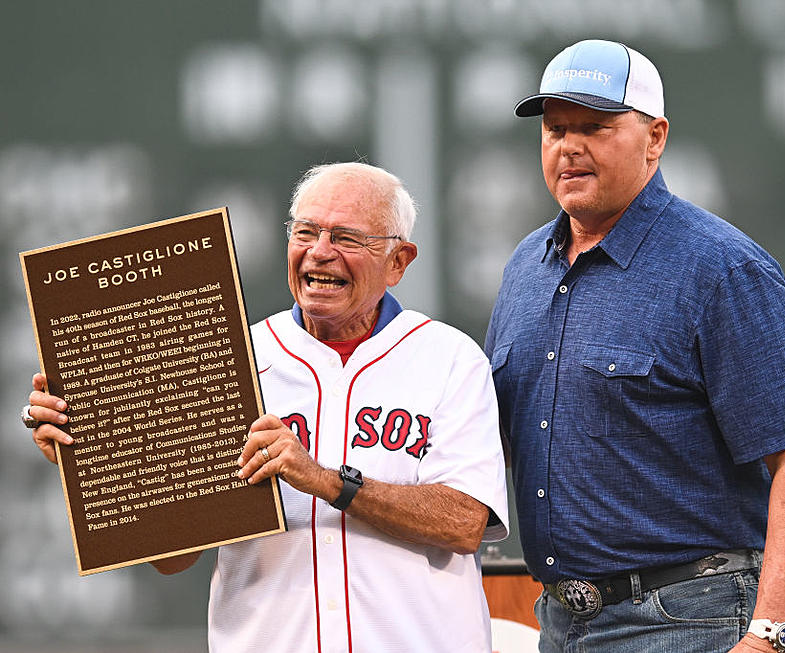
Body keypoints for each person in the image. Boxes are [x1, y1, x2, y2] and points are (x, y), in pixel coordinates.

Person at [26, 161, 509, 653]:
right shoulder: (226, 360)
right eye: (305, 232)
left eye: (345, 237)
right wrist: (98, 461)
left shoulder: (449, 358)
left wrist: (325, 480)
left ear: (398, 261)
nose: (320, 252)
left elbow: (465, 522)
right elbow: (174, 560)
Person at [484, 39, 785, 653]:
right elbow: (500, 444)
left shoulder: (722, 269)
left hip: (687, 618)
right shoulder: (526, 267)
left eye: (595, 126)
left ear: (655, 137)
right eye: (556, 128)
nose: (570, 146)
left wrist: (771, 636)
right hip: (559, 620)